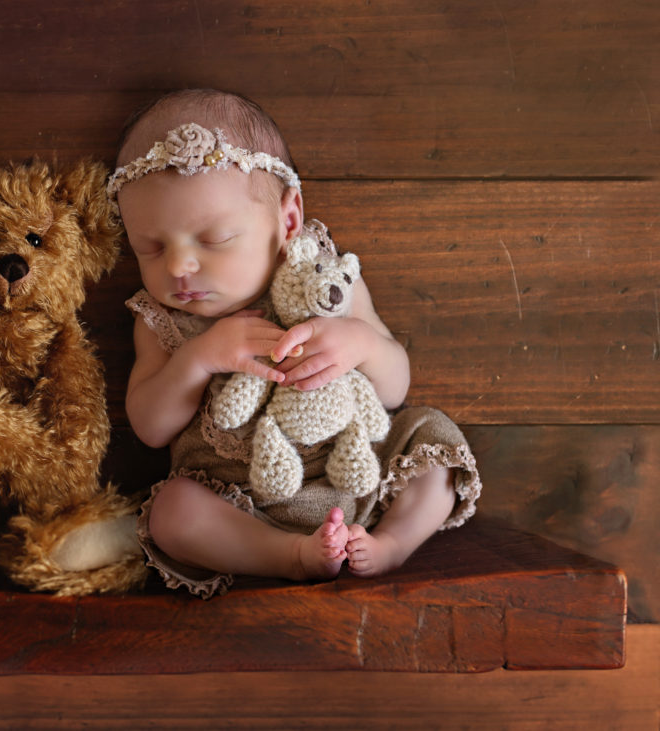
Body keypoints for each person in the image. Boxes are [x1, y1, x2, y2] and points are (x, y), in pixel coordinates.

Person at [110, 89, 481, 598]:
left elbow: (395, 388)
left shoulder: (326, 280)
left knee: (435, 437)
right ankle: (289, 556)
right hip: (242, 506)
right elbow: (151, 427)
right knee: (171, 512)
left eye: (213, 239)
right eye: (149, 248)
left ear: (287, 221)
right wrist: (198, 359)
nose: (177, 268)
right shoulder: (162, 321)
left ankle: (391, 543)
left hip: (359, 480)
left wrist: (361, 345)